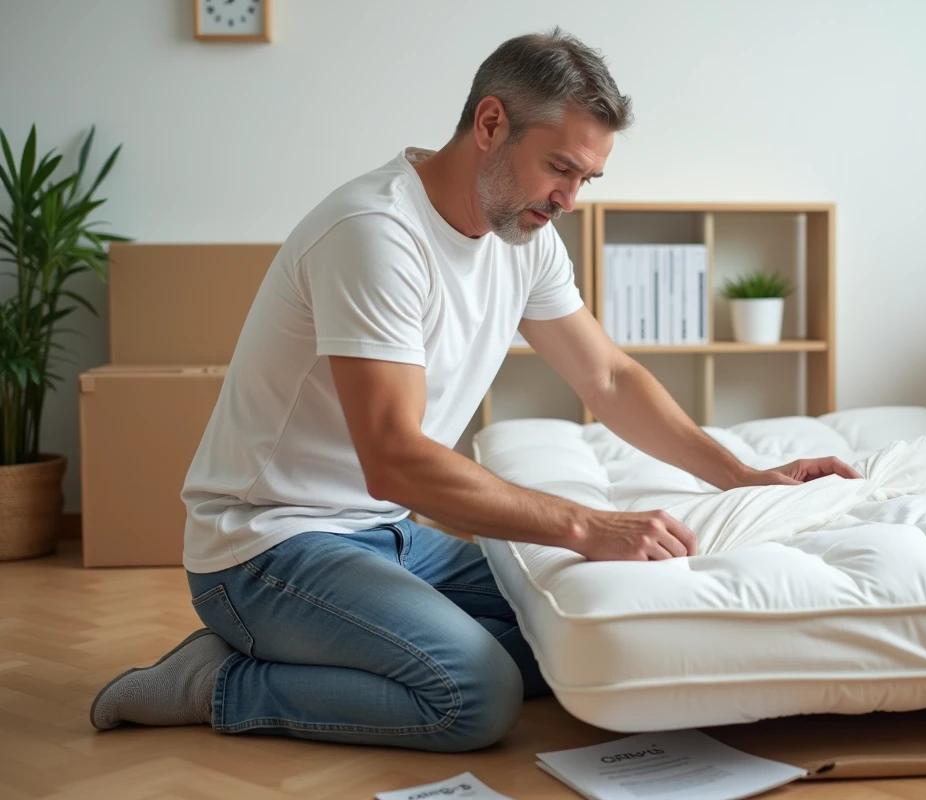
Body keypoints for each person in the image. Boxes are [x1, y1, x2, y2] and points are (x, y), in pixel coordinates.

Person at [89, 27, 859, 753]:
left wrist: (747, 476)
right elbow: (394, 459)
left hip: (384, 536)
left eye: (586, 178)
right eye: (560, 168)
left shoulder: (524, 237)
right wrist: (588, 526)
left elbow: (609, 376)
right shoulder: (376, 234)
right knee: (474, 695)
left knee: (583, 641)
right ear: (490, 123)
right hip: (267, 546)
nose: (568, 199)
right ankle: (219, 682)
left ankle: (334, 650)